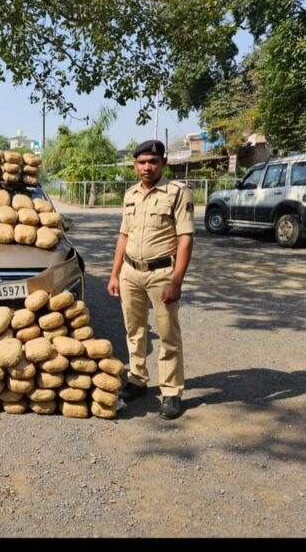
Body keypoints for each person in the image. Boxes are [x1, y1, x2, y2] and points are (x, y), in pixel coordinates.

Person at [107, 139, 194, 420]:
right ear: (135, 166)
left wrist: (176, 281)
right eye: (142, 162)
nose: (148, 167)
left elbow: (185, 239)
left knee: (168, 333)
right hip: (131, 272)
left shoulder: (177, 193)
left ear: (163, 164)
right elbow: (124, 235)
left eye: (153, 162)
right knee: (134, 331)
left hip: (161, 274)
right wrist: (115, 273)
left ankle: (171, 391)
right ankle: (137, 380)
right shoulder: (130, 194)